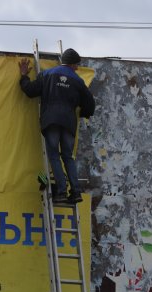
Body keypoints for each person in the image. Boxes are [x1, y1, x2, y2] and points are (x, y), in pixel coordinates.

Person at [18, 48, 95, 204]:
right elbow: (90, 103)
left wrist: (24, 76)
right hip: (68, 123)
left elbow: (30, 91)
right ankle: (75, 192)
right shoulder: (78, 81)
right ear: (72, 64)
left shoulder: (47, 75)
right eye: (77, 65)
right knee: (67, 156)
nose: (77, 68)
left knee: (54, 155)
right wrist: (83, 113)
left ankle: (60, 192)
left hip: (51, 121)